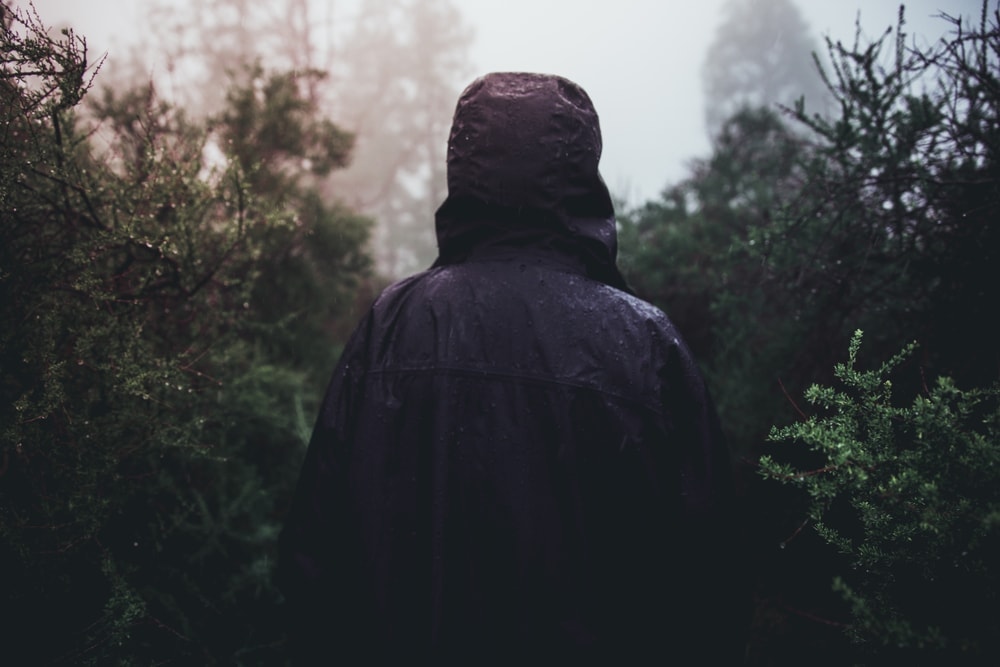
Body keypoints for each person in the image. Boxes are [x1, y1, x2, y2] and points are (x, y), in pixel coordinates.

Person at [278, 72, 741, 664]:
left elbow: (314, 559)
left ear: (464, 170)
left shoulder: (393, 324)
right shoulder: (646, 343)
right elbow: (708, 585)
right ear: (581, 175)